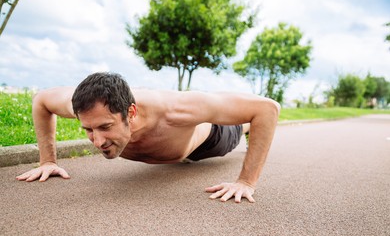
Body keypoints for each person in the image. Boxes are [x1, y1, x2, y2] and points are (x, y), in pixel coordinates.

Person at [16, 72, 280, 203]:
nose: (97, 141)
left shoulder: (177, 109)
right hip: (176, 145)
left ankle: (243, 129)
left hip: (210, 140)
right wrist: (47, 161)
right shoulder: (85, 106)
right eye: (88, 129)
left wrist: (246, 181)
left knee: (241, 125)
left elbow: (267, 109)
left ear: (130, 112)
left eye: (105, 127)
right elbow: (41, 100)